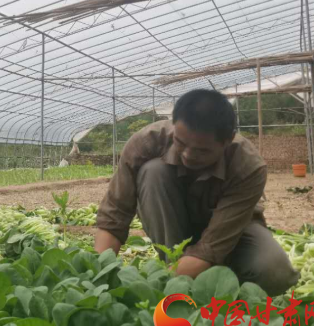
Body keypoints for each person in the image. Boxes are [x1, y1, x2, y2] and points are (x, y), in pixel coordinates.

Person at [94, 89, 299, 296]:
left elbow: (213, 246)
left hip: (232, 229)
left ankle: (211, 281)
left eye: (202, 150)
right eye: (180, 143)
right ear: (174, 125)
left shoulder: (248, 166)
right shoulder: (146, 143)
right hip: (174, 223)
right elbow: (114, 216)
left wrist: (155, 288)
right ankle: (177, 266)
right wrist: (97, 276)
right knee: (153, 171)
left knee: (275, 272)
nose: (188, 155)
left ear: (227, 140)